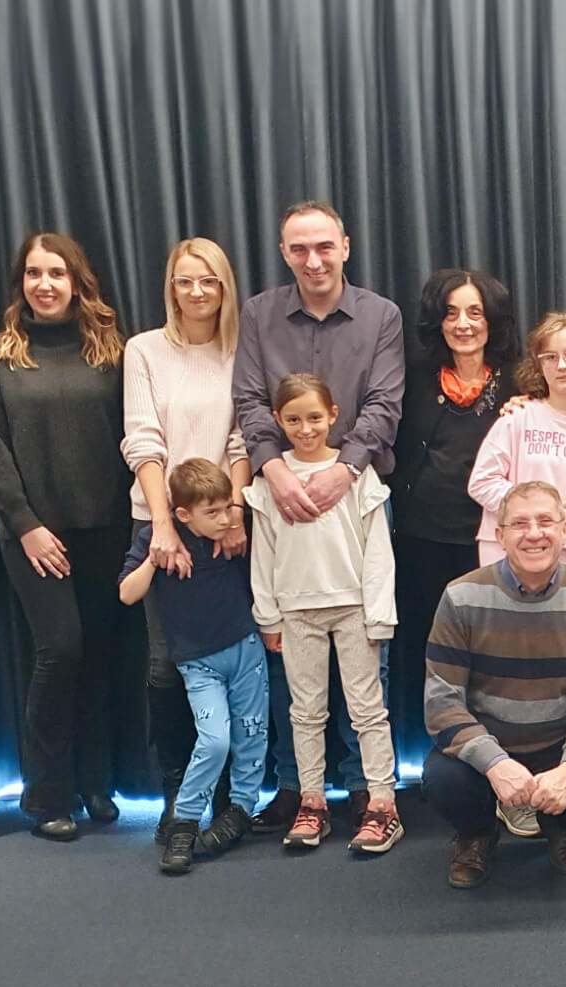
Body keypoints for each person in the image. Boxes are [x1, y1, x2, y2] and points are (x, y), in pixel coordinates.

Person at [232, 199, 404, 833]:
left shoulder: (380, 315)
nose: (313, 260)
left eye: (324, 246)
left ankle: (370, 795)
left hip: (354, 493)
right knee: (297, 689)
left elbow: (384, 403)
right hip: (280, 493)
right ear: (284, 254)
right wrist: (274, 471)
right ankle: (301, 792)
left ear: (345, 247)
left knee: (368, 688)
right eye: (299, 249)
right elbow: (250, 399)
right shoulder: (258, 314)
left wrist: (343, 471)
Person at [0, 231, 133, 840]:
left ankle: (95, 782)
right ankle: (46, 793)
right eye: (34, 273)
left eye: (56, 273)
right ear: (21, 283)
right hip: (34, 534)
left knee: (97, 658)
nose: (44, 284)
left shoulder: (111, 353)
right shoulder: (1, 357)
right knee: (58, 650)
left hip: (106, 527)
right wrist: (26, 524)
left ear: (76, 282)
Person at [423, 481, 566, 888]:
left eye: (545, 521)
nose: (534, 533)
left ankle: (561, 825)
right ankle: (476, 833)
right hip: (490, 743)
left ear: (565, 529)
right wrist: (495, 764)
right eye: (519, 523)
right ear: (499, 536)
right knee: (442, 781)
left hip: (559, 742)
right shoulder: (461, 596)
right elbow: (442, 701)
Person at [123, 238, 252, 842]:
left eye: (209, 281)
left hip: (224, 523)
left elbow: (242, 443)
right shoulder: (144, 350)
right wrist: (164, 525)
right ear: (169, 287)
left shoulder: (242, 349)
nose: (197, 292)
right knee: (167, 661)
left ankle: (231, 794)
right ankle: (178, 792)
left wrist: (234, 516)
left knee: (235, 655)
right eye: (184, 281)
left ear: (225, 287)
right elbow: (142, 442)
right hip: (161, 520)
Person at [246, 373, 401, 854]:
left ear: (334, 415)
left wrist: (379, 615)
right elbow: (263, 554)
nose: (305, 428)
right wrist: (268, 616)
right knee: (305, 713)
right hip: (297, 612)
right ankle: (311, 802)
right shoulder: (270, 481)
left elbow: (378, 551)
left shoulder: (357, 476)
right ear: (277, 420)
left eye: (315, 417)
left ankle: (382, 803)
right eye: (293, 419)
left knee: (368, 711)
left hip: (354, 608)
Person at [389, 270, 518, 764]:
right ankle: (444, 763)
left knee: (493, 655)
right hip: (421, 540)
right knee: (433, 655)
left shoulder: (519, 381)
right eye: (451, 312)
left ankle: (501, 761)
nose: (463, 324)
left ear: (493, 320)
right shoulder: (413, 374)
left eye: (474, 312)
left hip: (488, 542)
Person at [119, 459, 268, 874]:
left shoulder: (232, 537)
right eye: (213, 512)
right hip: (198, 663)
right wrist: (154, 557)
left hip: (244, 651)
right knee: (215, 739)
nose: (224, 518)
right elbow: (128, 595)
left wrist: (235, 524)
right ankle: (185, 820)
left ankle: (239, 810)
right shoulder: (160, 539)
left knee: (251, 738)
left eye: (227, 508)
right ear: (183, 514)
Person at [468, 312, 566, 576]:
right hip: (505, 553)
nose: (562, 365)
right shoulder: (518, 416)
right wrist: (542, 510)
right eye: (550, 357)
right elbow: (481, 482)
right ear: (539, 366)